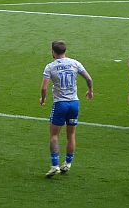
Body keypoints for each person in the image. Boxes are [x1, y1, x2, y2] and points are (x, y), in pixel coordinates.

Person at [40, 41, 94, 177]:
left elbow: (44, 87)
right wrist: (90, 91)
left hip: (60, 104)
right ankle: (68, 163)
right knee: (71, 135)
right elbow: (89, 78)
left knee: (53, 135)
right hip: (74, 103)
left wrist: (43, 98)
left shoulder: (50, 67)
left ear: (53, 52)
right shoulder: (75, 63)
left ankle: (55, 165)